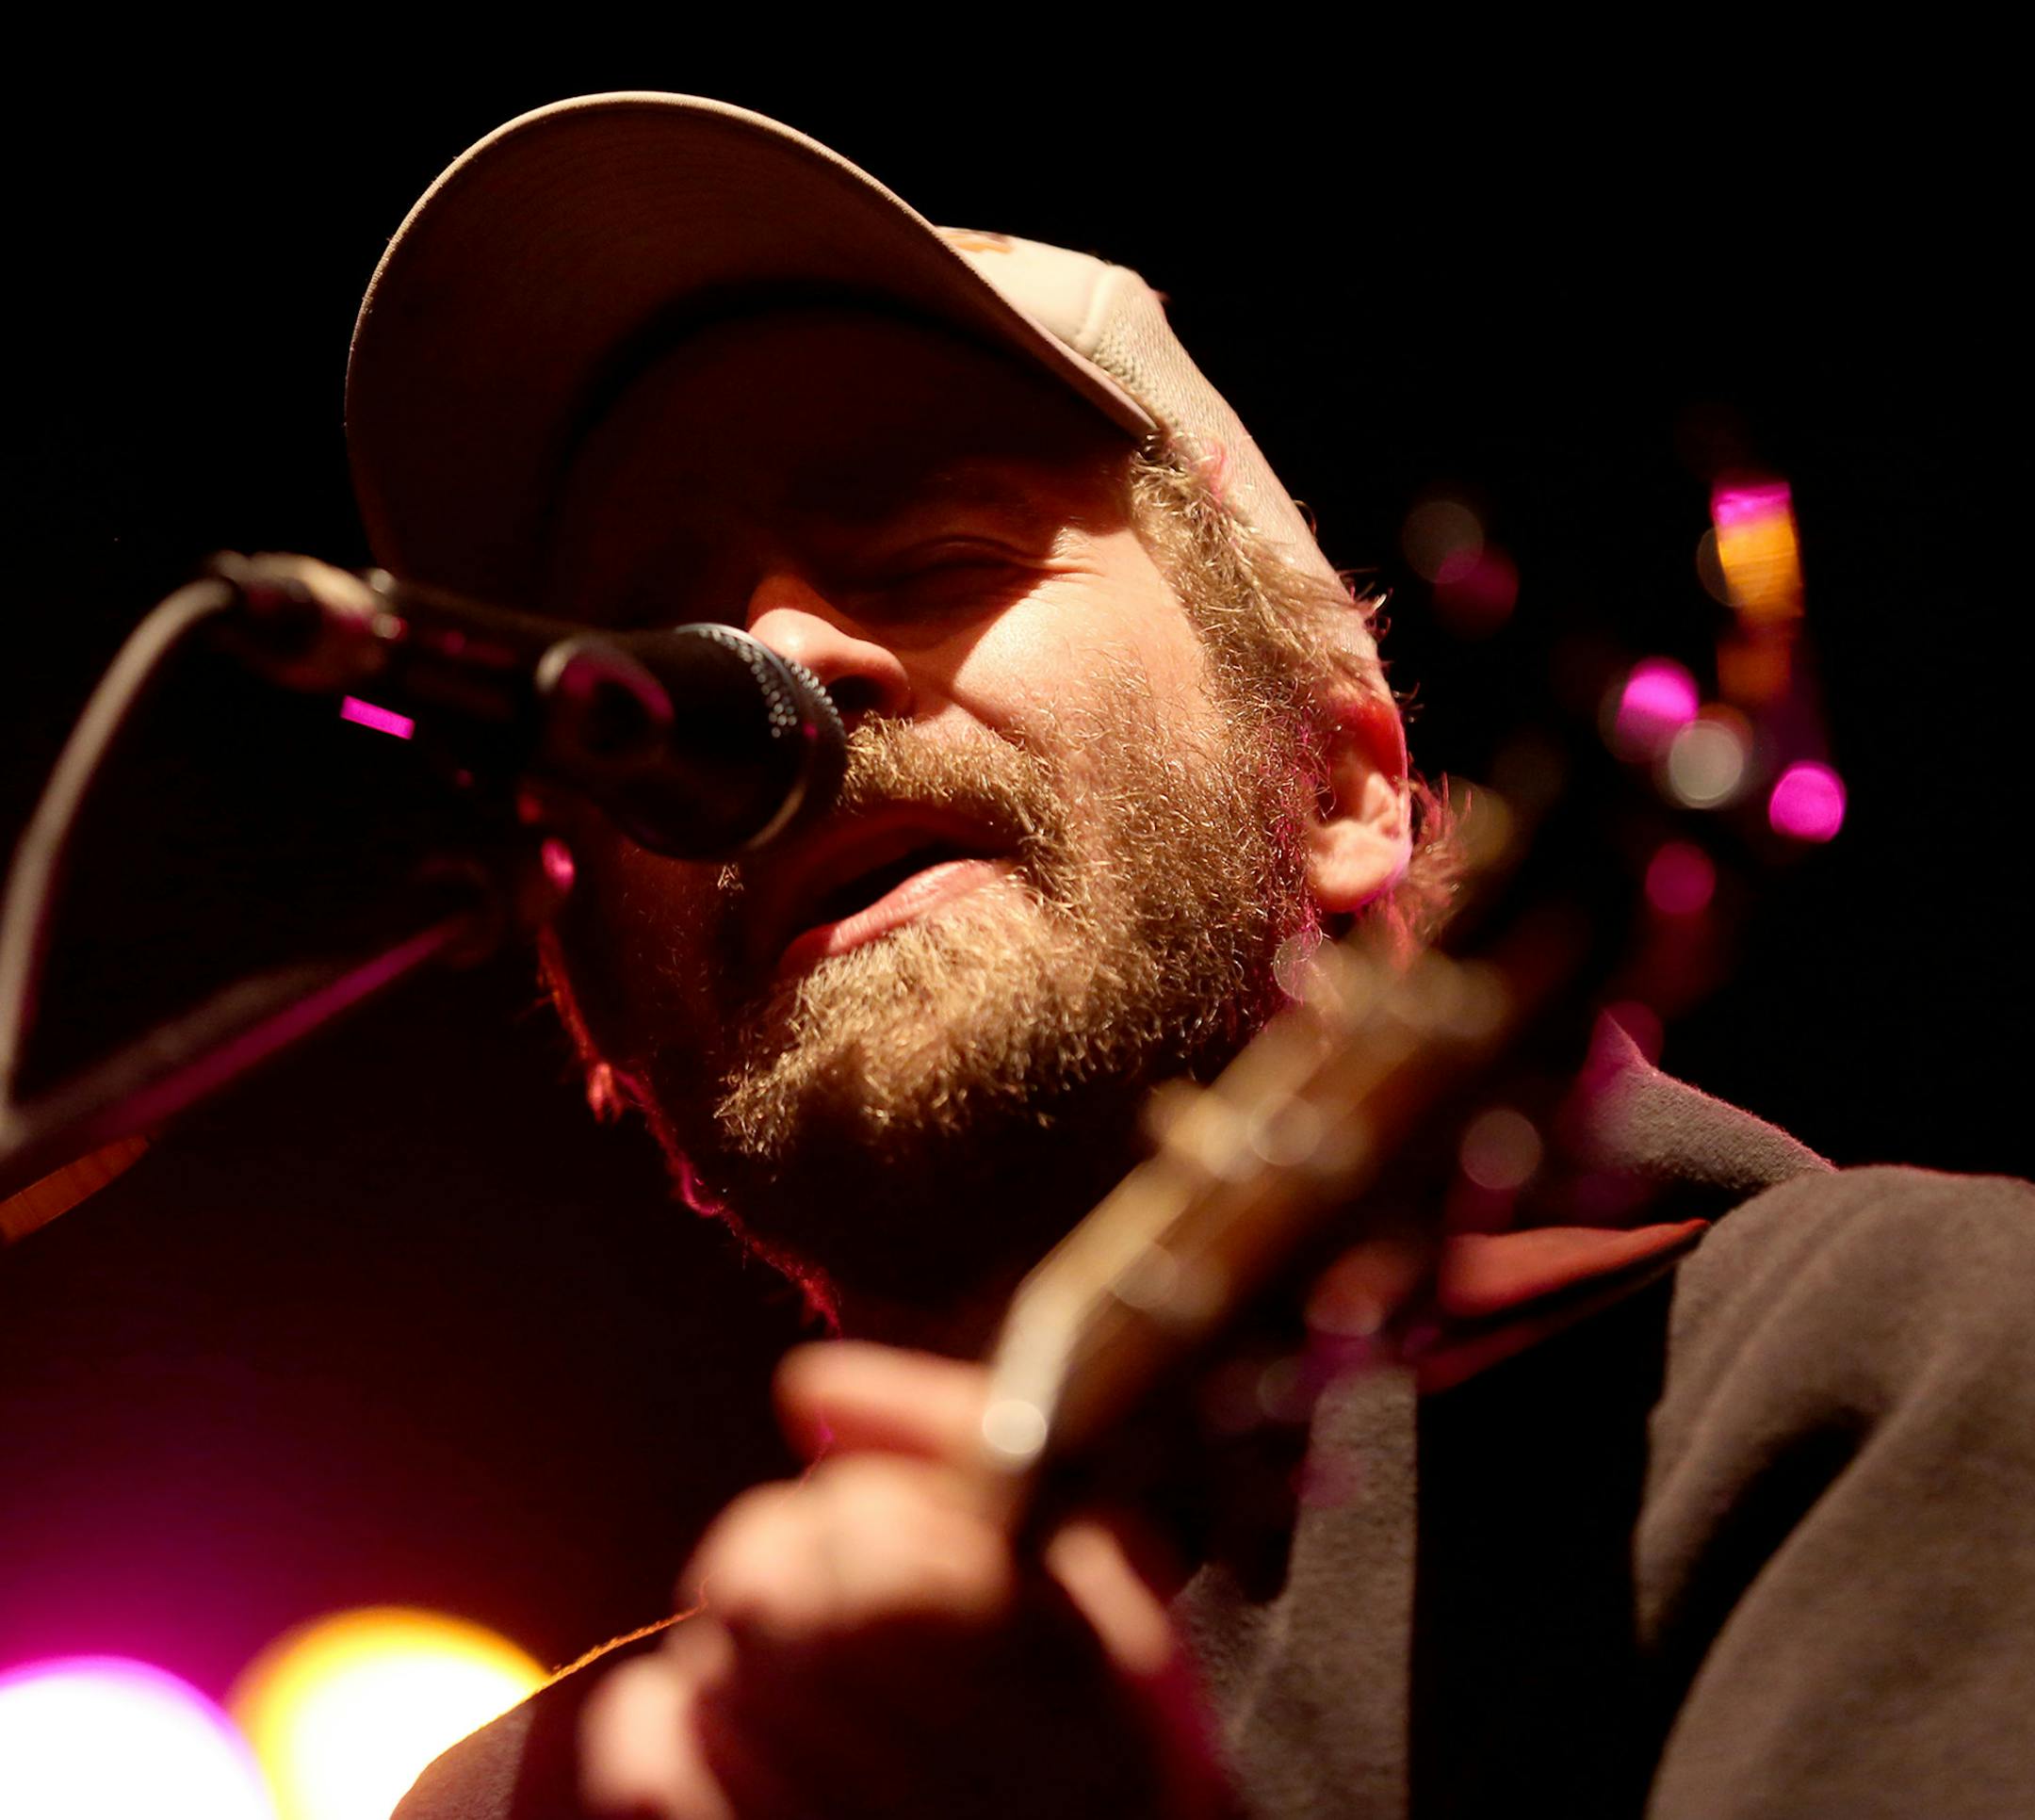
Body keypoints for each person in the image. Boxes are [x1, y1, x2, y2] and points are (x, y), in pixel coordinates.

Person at [350, 95, 2035, 1819]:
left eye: (930, 554)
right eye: (659, 681)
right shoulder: (517, 1799)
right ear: (606, 1032)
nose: (784, 663)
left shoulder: (1892, 1358)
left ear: (1345, 786)